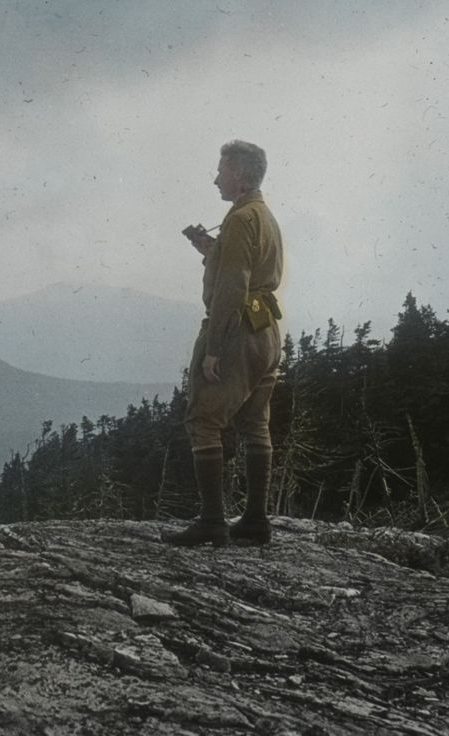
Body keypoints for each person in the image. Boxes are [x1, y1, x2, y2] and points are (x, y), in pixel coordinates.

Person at [163, 140, 284, 547]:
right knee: (255, 422)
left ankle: (213, 521)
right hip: (266, 328)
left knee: (203, 420)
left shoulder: (238, 219)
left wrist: (214, 347)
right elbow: (248, 270)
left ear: (240, 175)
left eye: (221, 170)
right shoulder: (262, 216)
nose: (216, 177)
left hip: (235, 331)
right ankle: (255, 520)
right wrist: (210, 253)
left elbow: (232, 286)